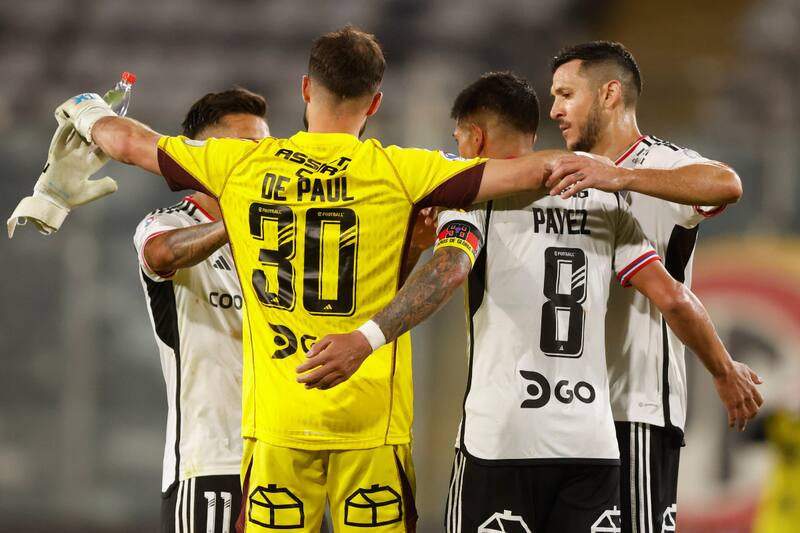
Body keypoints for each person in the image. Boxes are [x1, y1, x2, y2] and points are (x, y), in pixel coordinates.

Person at [54, 26, 572, 533]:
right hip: (371, 425)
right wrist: (611, 168)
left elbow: (127, 143)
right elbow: (530, 171)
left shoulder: (243, 164)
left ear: (306, 90)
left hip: (278, 426)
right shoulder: (403, 171)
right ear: (374, 103)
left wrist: (85, 106)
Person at [296, 71, 763, 533]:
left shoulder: (474, 200)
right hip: (590, 446)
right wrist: (724, 370)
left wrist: (366, 339)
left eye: (459, 140)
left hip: (501, 441)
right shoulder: (602, 199)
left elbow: (450, 271)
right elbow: (674, 299)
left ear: (475, 138)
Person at [545, 41, 754, 533]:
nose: (553, 109)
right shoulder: (558, 175)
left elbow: (726, 184)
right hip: (558, 407)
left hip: (634, 404)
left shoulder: (659, 163)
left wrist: (621, 177)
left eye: (566, 94)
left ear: (609, 94)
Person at [133, 88, 269, 533]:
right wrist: (236, 222)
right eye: (246, 148)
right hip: (212, 467)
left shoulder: (277, 241)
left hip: (287, 464)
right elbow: (161, 254)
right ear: (202, 158)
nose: (259, 158)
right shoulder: (169, 223)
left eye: (264, 147)